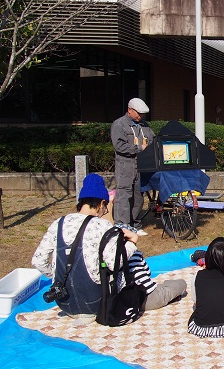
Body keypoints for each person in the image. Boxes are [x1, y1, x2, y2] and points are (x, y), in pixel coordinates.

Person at [32, 174, 139, 318]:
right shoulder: (102, 225)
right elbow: (114, 263)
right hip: (96, 301)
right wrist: (132, 243)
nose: (105, 212)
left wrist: (57, 277)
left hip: (64, 301)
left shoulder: (59, 223)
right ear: (101, 204)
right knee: (132, 261)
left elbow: (38, 261)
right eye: (106, 207)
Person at [110, 98, 155, 236]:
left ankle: (135, 223)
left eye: (142, 114)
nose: (140, 116)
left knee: (138, 195)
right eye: (138, 113)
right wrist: (139, 148)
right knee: (124, 195)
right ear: (130, 110)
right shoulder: (119, 124)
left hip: (141, 166)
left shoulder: (144, 125)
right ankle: (122, 226)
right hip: (125, 165)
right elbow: (119, 146)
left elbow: (153, 139)